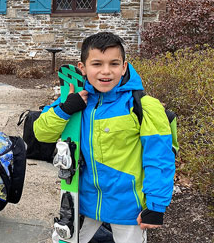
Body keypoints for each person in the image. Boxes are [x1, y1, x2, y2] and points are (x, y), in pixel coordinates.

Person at [34, 32, 175, 242]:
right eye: (97, 64)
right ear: (83, 68)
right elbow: (41, 133)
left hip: (127, 206)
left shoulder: (143, 106)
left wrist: (156, 205)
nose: (106, 71)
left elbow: (160, 158)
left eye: (114, 64)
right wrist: (65, 110)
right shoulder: (76, 101)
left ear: (124, 67)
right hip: (83, 201)